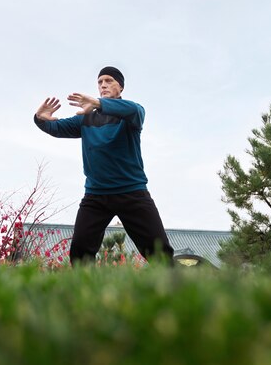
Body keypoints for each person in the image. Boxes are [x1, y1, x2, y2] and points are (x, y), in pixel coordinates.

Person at [34, 66, 174, 265]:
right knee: (80, 253)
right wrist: (41, 120)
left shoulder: (130, 114)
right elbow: (57, 127)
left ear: (121, 87)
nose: (103, 85)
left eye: (109, 80)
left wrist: (99, 103)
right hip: (96, 196)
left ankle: (173, 288)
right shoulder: (85, 118)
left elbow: (135, 110)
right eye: (100, 82)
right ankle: (86, 294)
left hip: (132, 193)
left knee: (159, 252)